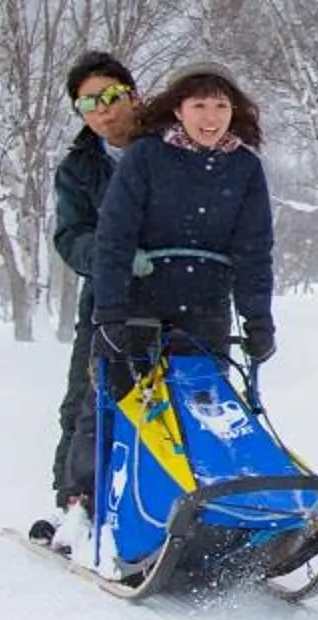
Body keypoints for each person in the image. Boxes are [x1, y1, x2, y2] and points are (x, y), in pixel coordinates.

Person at [90, 63, 277, 381]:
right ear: (178, 110)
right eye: (199, 106)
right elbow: (114, 237)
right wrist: (109, 314)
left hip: (206, 308)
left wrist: (258, 321)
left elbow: (253, 251)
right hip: (140, 302)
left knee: (202, 413)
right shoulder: (145, 156)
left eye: (221, 106)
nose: (211, 117)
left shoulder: (244, 168)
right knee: (121, 414)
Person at [31, 51, 142, 544]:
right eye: (87, 103)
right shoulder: (79, 169)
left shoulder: (167, 148)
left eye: (111, 97)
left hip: (179, 296)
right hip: (107, 300)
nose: (103, 111)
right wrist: (114, 255)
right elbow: (70, 235)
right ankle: (74, 503)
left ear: (132, 95)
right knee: (87, 401)